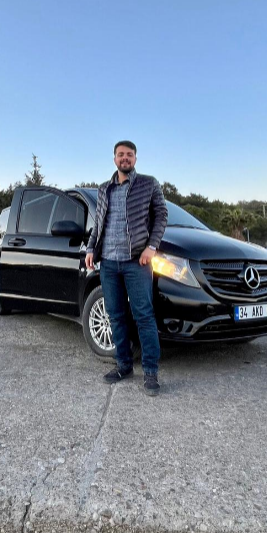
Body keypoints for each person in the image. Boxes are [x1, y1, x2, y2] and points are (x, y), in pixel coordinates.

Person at [85, 141, 168, 396]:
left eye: (129, 155)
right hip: (109, 263)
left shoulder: (148, 184)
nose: (125, 158)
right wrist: (90, 249)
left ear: (135, 159)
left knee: (144, 316)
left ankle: (151, 371)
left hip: (136, 262)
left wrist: (152, 247)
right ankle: (123, 365)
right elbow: (98, 223)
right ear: (114, 159)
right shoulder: (104, 189)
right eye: (120, 154)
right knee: (116, 315)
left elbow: (161, 215)